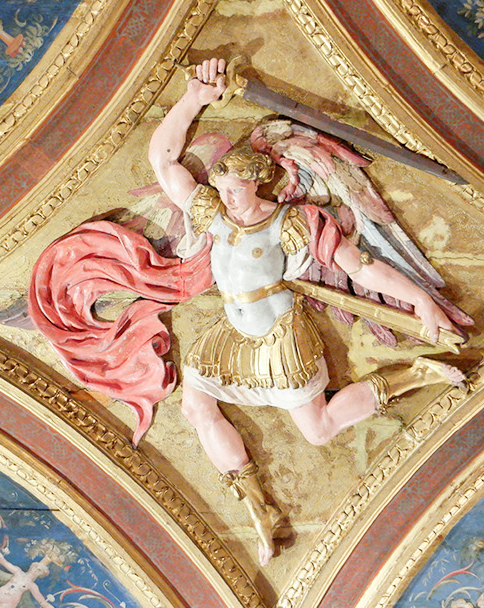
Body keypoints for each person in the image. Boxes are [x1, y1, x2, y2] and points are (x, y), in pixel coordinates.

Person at [145, 57, 464, 563]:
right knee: (194, 403)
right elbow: (164, 162)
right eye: (223, 188)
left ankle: (416, 373)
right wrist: (193, 100)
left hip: (278, 339)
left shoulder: (292, 223)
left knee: (318, 431)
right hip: (230, 337)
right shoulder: (212, 213)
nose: (228, 197)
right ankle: (258, 509)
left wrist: (421, 299)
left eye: (237, 189)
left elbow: (359, 268)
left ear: (259, 183)